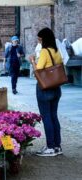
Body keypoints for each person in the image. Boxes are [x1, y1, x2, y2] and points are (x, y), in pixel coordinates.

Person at [29, 27, 63, 157]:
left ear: (43, 39)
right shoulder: (56, 50)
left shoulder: (44, 51)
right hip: (56, 87)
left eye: (39, 39)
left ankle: (50, 147)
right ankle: (57, 146)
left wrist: (32, 60)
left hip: (45, 88)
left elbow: (38, 70)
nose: (38, 41)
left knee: (47, 117)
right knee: (54, 116)